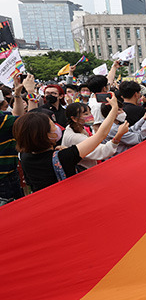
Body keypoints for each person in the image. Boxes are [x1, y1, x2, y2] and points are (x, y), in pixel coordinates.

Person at [15, 92, 119, 192]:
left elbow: (29, 127)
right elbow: (100, 135)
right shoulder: (63, 157)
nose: (57, 128)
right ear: (47, 136)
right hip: (67, 198)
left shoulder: (24, 156)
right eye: (53, 126)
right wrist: (114, 108)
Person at [62, 102, 128, 170]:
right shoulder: (75, 137)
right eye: (86, 114)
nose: (90, 116)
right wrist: (118, 135)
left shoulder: (77, 128)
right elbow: (102, 150)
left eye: (90, 112)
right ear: (74, 119)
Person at [0, 75, 28, 204]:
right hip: (4, 179)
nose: (6, 102)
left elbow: (17, 116)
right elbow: (24, 120)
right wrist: (31, 94)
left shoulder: (5, 119)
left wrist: (17, 94)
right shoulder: (2, 121)